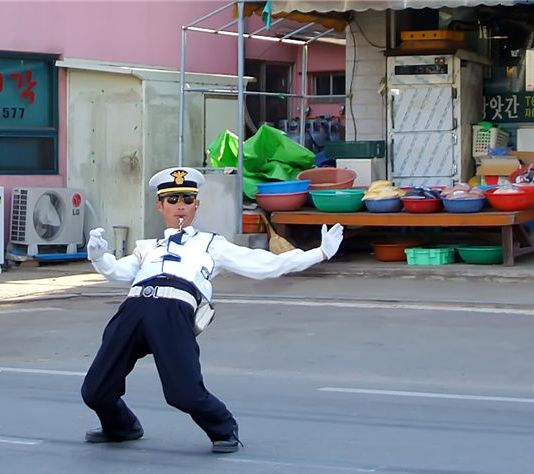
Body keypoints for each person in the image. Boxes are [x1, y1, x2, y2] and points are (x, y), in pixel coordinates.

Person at [82, 167, 344, 454]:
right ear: (160, 206)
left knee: (184, 393)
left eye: (187, 199)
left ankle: (223, 427)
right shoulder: (147, 247)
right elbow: (118, 272)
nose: (180, 206)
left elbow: (265, 264)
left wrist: (319, 253)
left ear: (197, 205)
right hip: (134, 307)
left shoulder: (211, 244)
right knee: (95, 389)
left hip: (173, 310)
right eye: (172, 200)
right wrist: (99, 256)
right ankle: (121, 427)